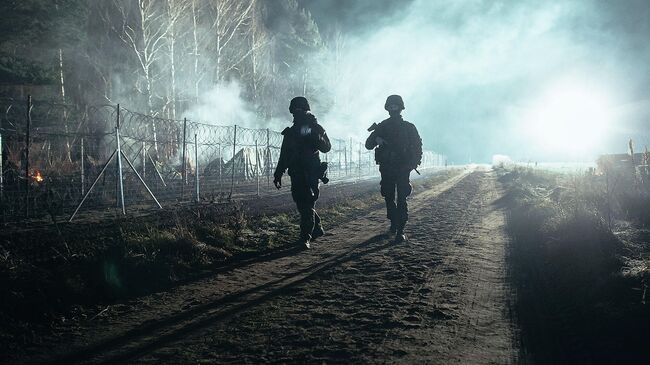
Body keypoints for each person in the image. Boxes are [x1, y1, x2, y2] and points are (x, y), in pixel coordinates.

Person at [274, 96, 332, 249]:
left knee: (308, 202)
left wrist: (316, 136)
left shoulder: (316, 128)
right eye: (295, 111)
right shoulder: (291, 132)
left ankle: (305, 237)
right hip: (296, 172)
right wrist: (278, 173)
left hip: (311, 171)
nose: (297, 113)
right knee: (301, 203)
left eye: (300, 110)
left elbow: (327, 147)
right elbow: (284, 154)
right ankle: (317, 227)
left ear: (306, 110)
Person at [365, 95, 422, 243]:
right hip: (387, 167)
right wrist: (376, 139)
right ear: (387, 108)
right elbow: (368, 144)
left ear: (400, 108)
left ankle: (400, 229)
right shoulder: (382, 126)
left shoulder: (409, 127)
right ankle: (394, 223)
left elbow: (417, 146)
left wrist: (413, 163)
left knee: (402, 197)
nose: (392, 109)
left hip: (403, 167)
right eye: (390, 107)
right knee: (388, 196)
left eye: (395, 106)